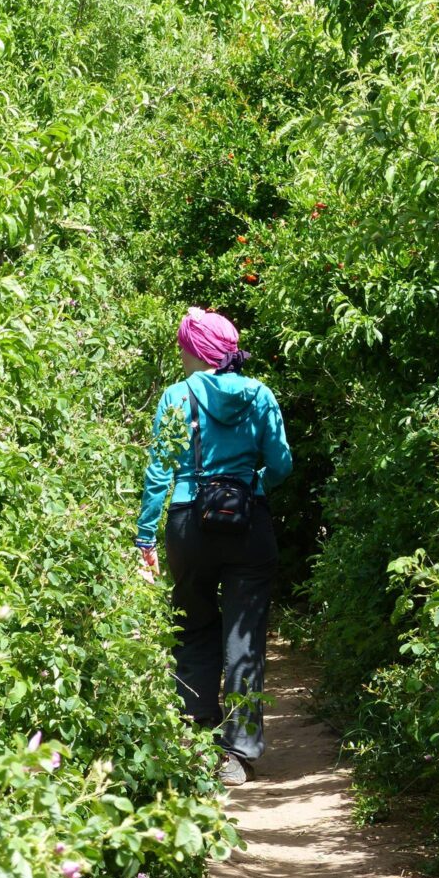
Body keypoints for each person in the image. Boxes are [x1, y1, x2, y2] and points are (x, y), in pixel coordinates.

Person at [135, 307, 292, 785]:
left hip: (189, 524)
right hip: (249, 524)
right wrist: (251, 484)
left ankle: (202, 739)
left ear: (196, 352)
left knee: (194, 626)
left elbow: (160, 470)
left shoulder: (176, 397)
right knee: (243, 638)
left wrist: (145, 535)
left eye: (184, 350)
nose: (181, 358)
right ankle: (240, 753)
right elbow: (281, 464)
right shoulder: (260, 394)